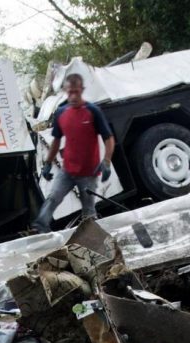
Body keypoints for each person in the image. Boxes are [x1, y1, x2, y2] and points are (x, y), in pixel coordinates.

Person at [31, 73, 115, 233]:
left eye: (76, 92)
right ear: (65, 91)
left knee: (89, 211)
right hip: (67, 170)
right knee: (53, 197)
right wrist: (48, 163)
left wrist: (106, 161)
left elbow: (108, 138)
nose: (73, 96)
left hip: (88, 172)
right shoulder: (61, 113)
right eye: (70, 92)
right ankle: (40, 227)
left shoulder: (93, 111)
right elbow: (56, 141)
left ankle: (92, 237)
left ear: (81, 90)